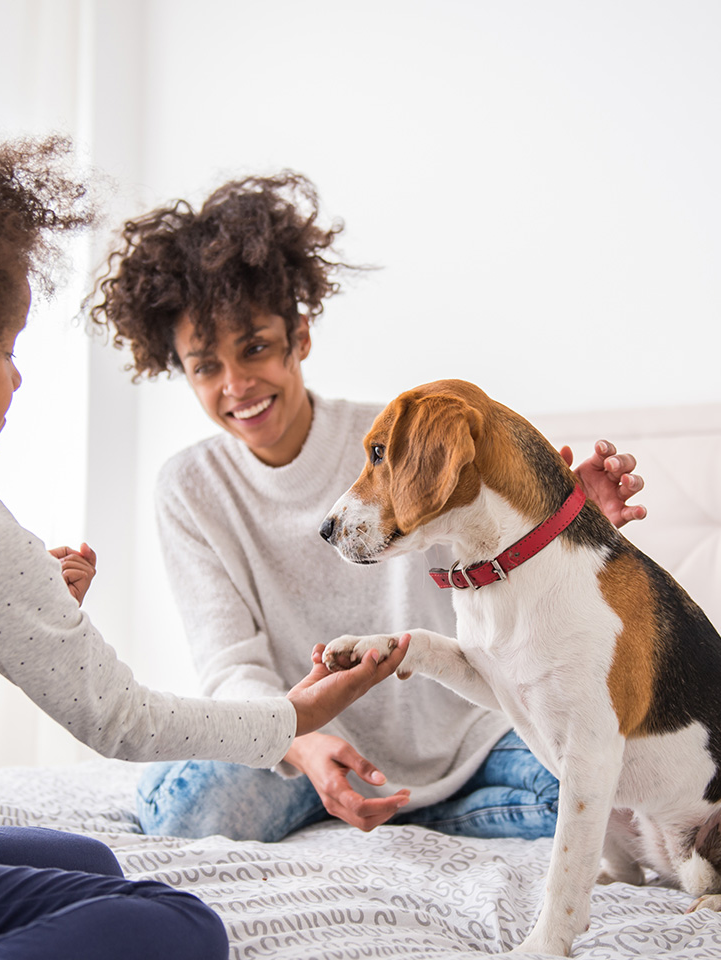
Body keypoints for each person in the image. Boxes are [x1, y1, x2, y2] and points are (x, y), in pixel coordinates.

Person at [0, 114, 409, 960]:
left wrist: (15, 604)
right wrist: (291, 716)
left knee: (82, 858)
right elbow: (123, 723)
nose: (19, 374)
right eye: (5, 348)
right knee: (174, 925)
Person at [89, 171, 647, 844]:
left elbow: (490, 559)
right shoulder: (188, 487)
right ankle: (423, 811)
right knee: (190, 811)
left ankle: (418, 808)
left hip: (465, 731)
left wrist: (562, 526)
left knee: (615, 797)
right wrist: (298, 743)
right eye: (206, 367)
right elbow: (231, 665)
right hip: (303, 733)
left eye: (256, 347)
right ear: (180, 369)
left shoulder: (395, 437)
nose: (236, 385)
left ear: (299, 337)